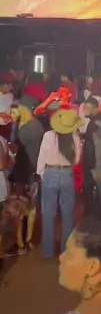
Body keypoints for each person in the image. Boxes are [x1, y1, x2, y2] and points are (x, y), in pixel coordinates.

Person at [37, 108, 83, 258]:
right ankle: (65, 249)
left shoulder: (48, 136)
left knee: (48, 212)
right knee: (67, 212)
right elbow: (76, 160)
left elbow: (42, 156)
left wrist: (42, 174)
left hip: (50, 173)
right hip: (67, 174)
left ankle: (48, 251)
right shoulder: (75, 138)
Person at [9, 96, 44, 252]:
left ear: (23, 108)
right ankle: (28, 240)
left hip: (22, 172)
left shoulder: (26, 128)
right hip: (34, 172)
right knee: (31, 208)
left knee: (18, 209)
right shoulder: (38, 126)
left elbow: (17, 151)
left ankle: (20, 243)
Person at [82, 96, 101, 216]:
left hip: (95, 161)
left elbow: (100, 147)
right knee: (97, 188)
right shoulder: (96, 121)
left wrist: (99, 168)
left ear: (96, 109)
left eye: (88, 108)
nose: (85, 110)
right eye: (85, 107)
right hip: (92, 160)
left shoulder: (97, 123)